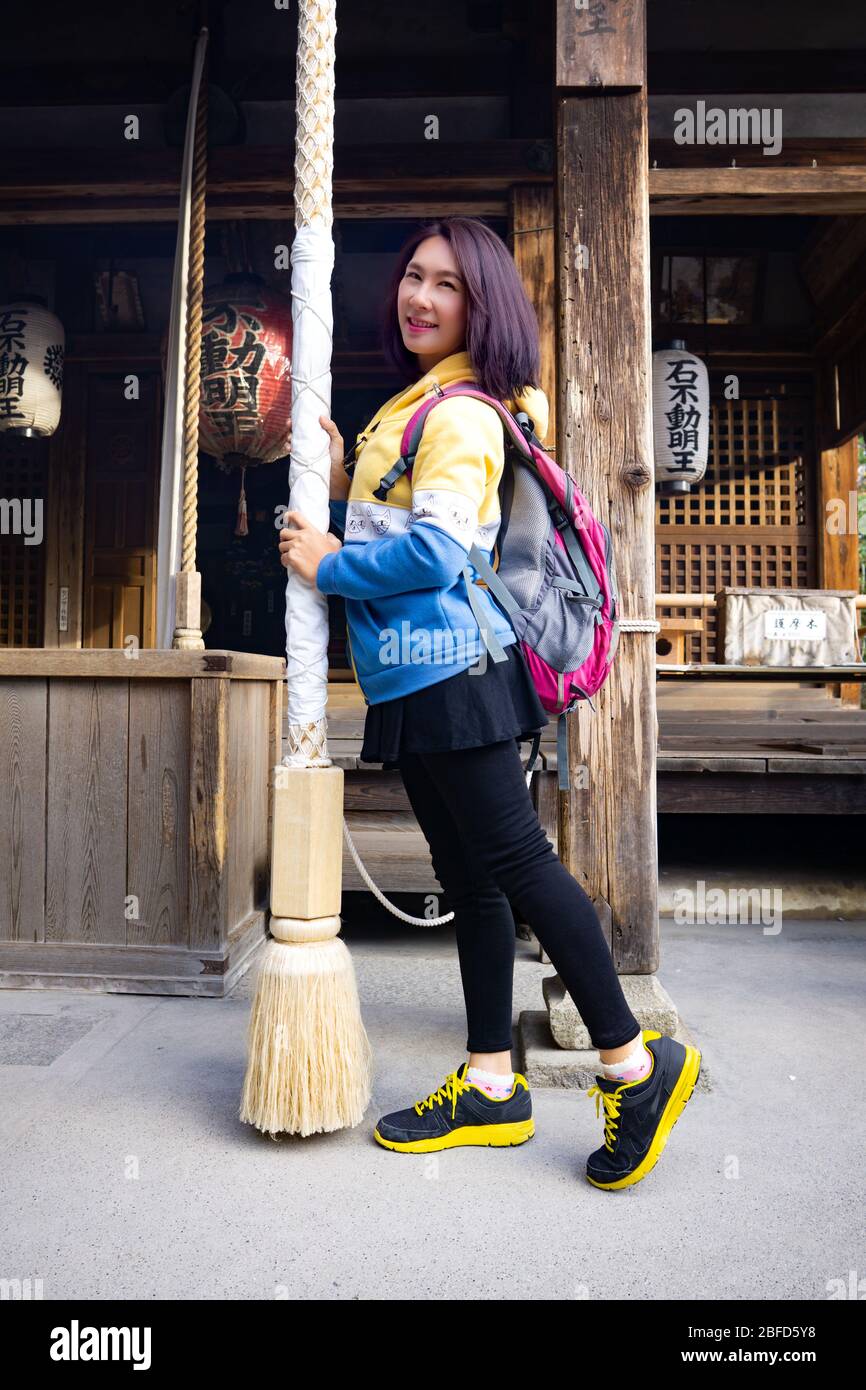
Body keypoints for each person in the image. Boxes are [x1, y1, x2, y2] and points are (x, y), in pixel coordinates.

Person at [278, 216, 700, 1191]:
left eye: (446, 285)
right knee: (468, 877)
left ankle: (632, 1063)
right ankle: (490, 1083)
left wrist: (332, 561)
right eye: (412, 277)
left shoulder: (460, 412)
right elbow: (415, 522)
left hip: (456, 671)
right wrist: (345, 487)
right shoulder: (418, 405)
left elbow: (436, 555)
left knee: (514, 862)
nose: (418, 297)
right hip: (420, 677)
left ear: (482, 306)